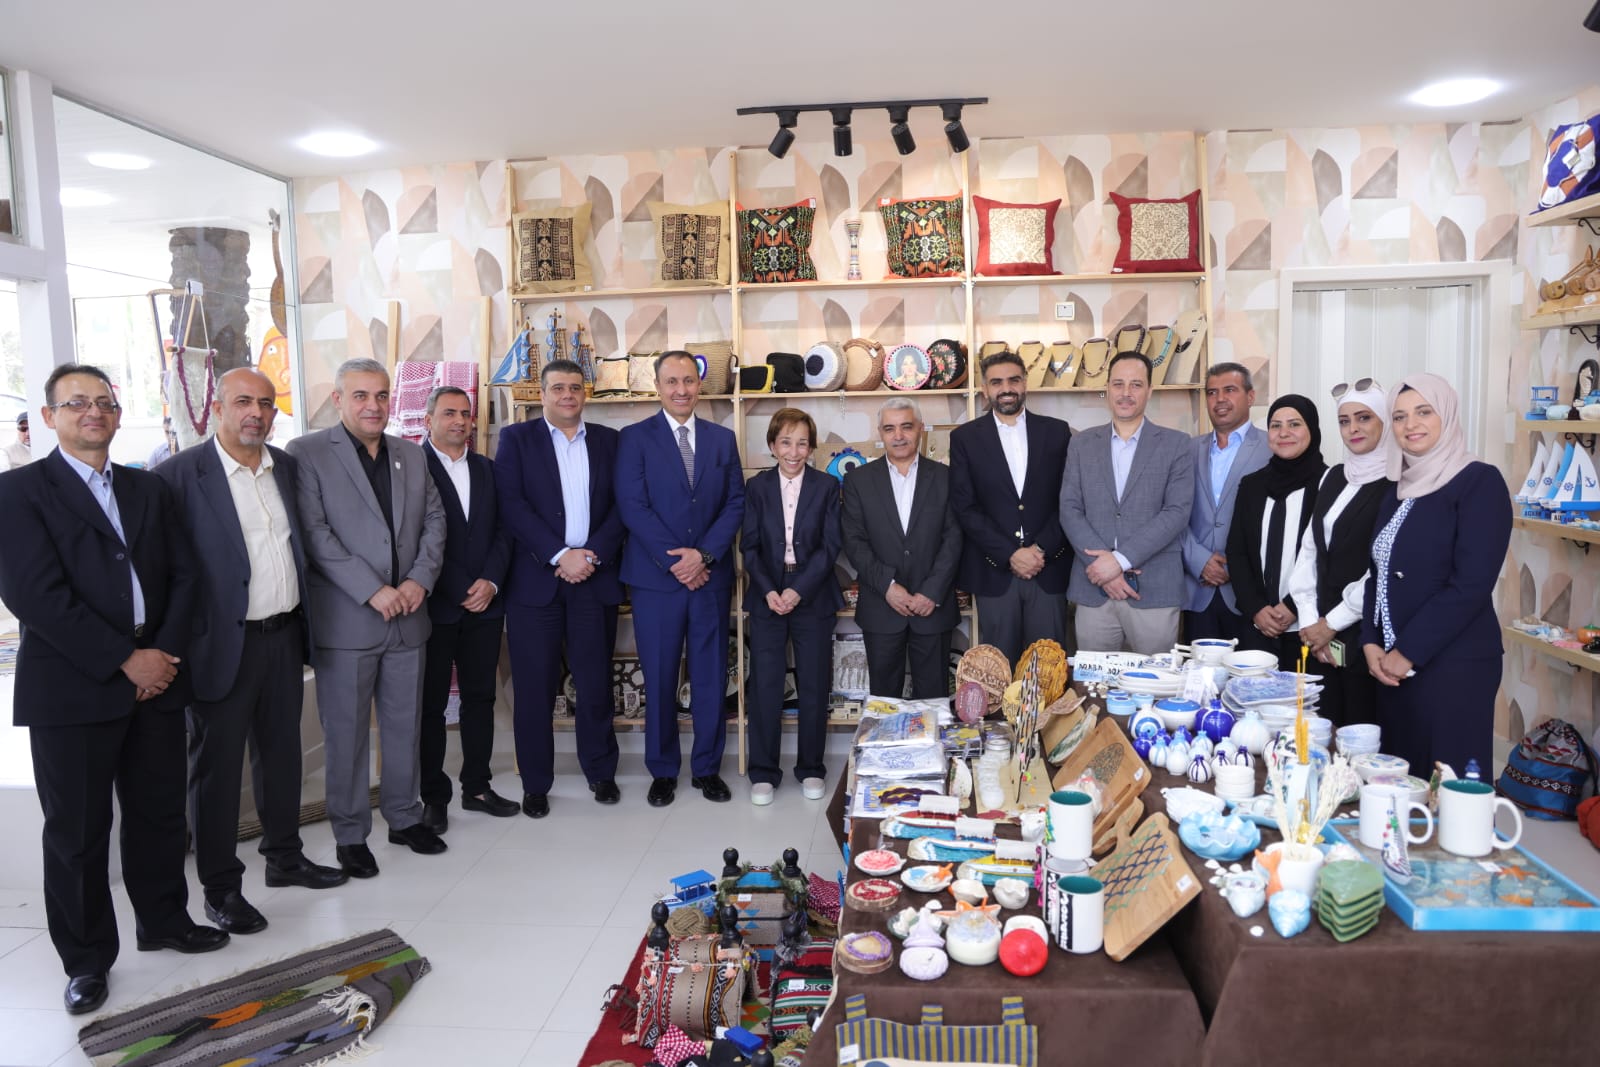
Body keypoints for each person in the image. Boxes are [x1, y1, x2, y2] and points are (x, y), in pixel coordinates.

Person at [0, 364, 223, 1017]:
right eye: (76, 403)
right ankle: (87, 959)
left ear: (119, 414)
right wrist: (126, 660)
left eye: (103, 402)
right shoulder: (16, 492)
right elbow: (35, 596)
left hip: (158, 679)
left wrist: (163, 656)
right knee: (77, 831)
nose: (92, 411)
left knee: (159, 813)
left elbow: (185, 575)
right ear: (50, 417)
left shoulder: (147, 487)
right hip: (73, 687)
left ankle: (164, 920)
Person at [157, 367, 347, 938]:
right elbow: (163, 570)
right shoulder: (177, 477)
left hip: (283, 636)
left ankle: (285, 858)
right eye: (244, 402)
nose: (256, 414)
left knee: (282, 755)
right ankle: (220, 888)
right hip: (219, 645)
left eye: (266, 404)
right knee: (216, 771)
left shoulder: (285, 467)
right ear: (218, 408)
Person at [287, 358, 447, 879]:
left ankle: (404, 816)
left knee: (404, 726)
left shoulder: (411, 453)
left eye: (381, 395)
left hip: (409, 616)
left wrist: (419, 580)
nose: (373, 405)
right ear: (338, 399)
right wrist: (372, 589)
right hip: (348, 622)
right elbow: (314, 534)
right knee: (348, 734)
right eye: (360, 395)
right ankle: (351, 835)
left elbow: (435, 520)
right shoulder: (307, 452)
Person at [1362, 373, 1511, 775]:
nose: (1410, 425)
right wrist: (1370, 642)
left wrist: (1407, 651)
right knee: (1401, 782)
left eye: (1424, 412)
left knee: (1448, 787)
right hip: (1392, 666)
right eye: (1399, 416)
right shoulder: (1398, 489)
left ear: (1447, 414)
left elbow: (1471, 585)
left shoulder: (1479, 481)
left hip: (1454, 665)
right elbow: (1377, 573)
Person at [496, 359, 625, 817]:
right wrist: (559, 554)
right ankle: (535, 784)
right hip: (537, 583)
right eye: (558, 388)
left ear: (584, 393)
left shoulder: (610, 440)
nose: (567, 395)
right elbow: (511, 505)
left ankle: (601, 773)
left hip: (594, 579)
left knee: (594, 685)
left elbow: (622, 507)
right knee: (534, 690)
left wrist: (591, 555)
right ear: (542, 394)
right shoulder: (516, 439)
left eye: (575, 387)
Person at [616, 351, 745, 807]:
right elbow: (632, 505)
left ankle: (707, 768)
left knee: (710, 676)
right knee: (659, 675)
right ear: (657, 386)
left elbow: (735, 502)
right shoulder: (634, 438)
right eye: (671, 381)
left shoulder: (722, 439)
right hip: (656, 580)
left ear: (699, 385)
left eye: (688, 380)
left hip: (709, 576)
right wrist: (676, 561)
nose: (681, 390)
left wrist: (703, 556)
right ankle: (663, 770)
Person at [418, 386, 516, 832]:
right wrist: (460, 587)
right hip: (436, 607)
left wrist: (491, 582)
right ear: (428, 420)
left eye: (465, 413)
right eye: (449, 413)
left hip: (485, 606)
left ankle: (477, 787)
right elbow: (414, 538)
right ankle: (433, 797)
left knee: (481, 699)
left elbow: (504, 531)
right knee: (432, 706)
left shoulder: (488, 469)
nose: (459, 420)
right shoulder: (412, 468)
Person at [1058, 351, 1193, 655]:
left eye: (1136, 384)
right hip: (1094, 589)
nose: (1126, 393)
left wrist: (1119, 561)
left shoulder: (1177, 444)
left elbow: (1176, 512)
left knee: (1157, 681)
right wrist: (1102, 567)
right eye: (1118, 384)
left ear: (1150, 390)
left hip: (1155, 590)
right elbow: (1069, 509)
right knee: (1095, 682)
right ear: (1107, 389)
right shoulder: (1081, 443)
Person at [741, 408, 842, 806]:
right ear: (772, 445)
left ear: (812, 448)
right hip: (766, 592)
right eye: (786, 442)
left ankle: (811, 768)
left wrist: (798, 590)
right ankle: (763, 771)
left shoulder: (827, 486)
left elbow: (830, 546)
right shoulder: (757, 487)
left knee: (814, 682)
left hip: (812, 592)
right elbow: (749, 546)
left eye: (802, 443)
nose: (794, 451)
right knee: (765, 684)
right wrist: (769, 590)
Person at [949, 349, 1072, 666]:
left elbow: (1069, 499)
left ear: (1025, 383)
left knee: (1048, 670)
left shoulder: (1057, 431)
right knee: (999, 671)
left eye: (1013, 380)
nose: (1006, 388)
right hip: (994, 572)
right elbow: (965, 506)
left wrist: (1040, 549)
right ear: (985, 389)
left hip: (1048, 569)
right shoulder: (964, 438)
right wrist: (1010, 554)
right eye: (997, 382)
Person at [841, 397, 963, 698]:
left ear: (920, 428)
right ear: (880, 433)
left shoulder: (947, 478)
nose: (898, 436)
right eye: (889, 428)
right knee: (884, 703)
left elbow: (954, 538)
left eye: (906, 427)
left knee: (934, 700)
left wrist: (931, 592)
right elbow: (854, 542)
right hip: (881, 607)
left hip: (932, 608)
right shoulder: (857, 480)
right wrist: (888, 586)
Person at [1288, 379, 1392, 727]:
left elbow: (1382, 568)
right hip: (1319, 633)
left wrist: (1330, 624)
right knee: (1321, 729)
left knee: (1360, 731)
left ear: (1385, 420)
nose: (1353, 429)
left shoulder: (1398, 484)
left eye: (1364, 418)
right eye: (1344, 421)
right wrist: (1309, 622)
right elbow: (1310, 550)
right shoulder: (1333, 477)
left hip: (1365, 633)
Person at [1226, 395, 1326, 665]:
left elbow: (1330, 559)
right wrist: (1256, 608)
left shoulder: (1330, 484)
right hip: (1257, 626)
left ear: (1312, 429)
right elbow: (1237, 552)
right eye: (1275, 425)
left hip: (1309, 627)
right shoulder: (1252, 486)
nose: (1284, 433)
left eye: (1294, 424)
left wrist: (1292, 606)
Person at [1182, 363, 1269, 643]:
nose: (1219, 399)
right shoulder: (1186, 450)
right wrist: (1199, 560)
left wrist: (1236, 568)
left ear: (1251, 396)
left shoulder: (1273, 447)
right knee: (1198, 670)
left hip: (1253, 594)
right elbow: (1171, 513)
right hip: (1197, 591)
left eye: (1230, 390)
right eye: (1212, 392)